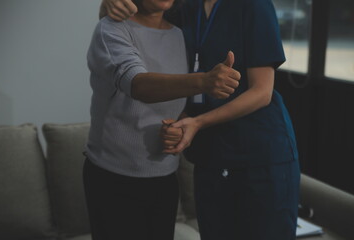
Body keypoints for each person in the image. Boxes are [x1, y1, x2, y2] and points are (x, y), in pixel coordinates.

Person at [102, 0, 301, 240]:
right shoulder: (184, 8)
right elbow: (136, 14)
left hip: (260, 156)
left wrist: (198, 122)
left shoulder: (253, 5)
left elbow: (262, 92)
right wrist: (107, 4)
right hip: (210, 157)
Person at [83, 0, 240, 240]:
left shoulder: (179, 34)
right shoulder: (111, 29)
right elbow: (138, 84)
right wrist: (204, 81)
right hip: (113, 179)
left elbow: (181, 102)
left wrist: (180, 126)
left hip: (164, 178)